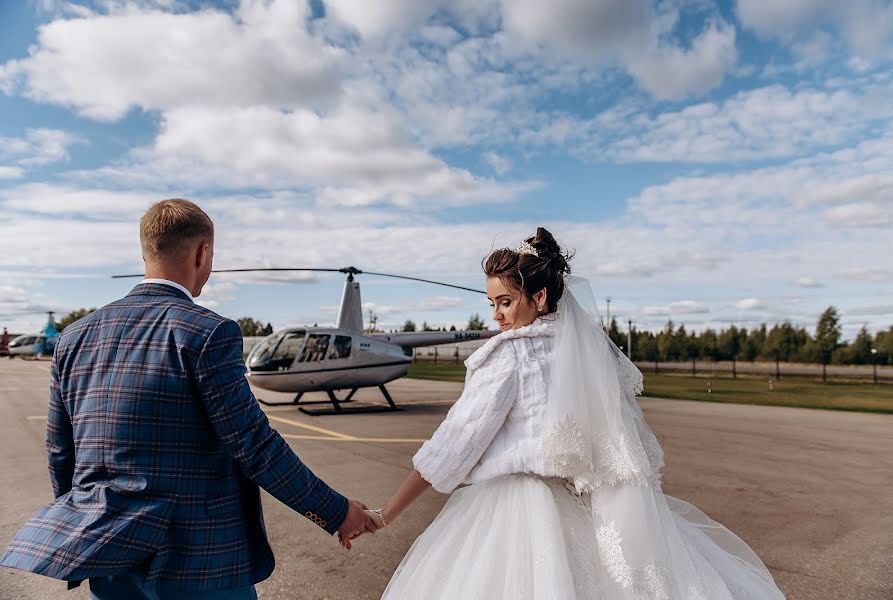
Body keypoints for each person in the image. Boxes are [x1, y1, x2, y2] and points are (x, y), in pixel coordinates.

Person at [368, 228, 786, 599]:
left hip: (515, 514)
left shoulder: (508, 356)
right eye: (492, 303)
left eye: (505, 302)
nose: (495, 315)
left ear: (540, 296)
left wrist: (387, 514)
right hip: (585, 508)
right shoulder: (591, 354)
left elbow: (452, 447)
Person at [0, 199, 378, 599]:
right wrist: (338, 511)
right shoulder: (208, 332)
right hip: (199, 562)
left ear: (147, 251)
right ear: (203, 253)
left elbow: (61, 450)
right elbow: (255, 445)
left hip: (108, 556)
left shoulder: (74, 337)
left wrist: (82, 522)